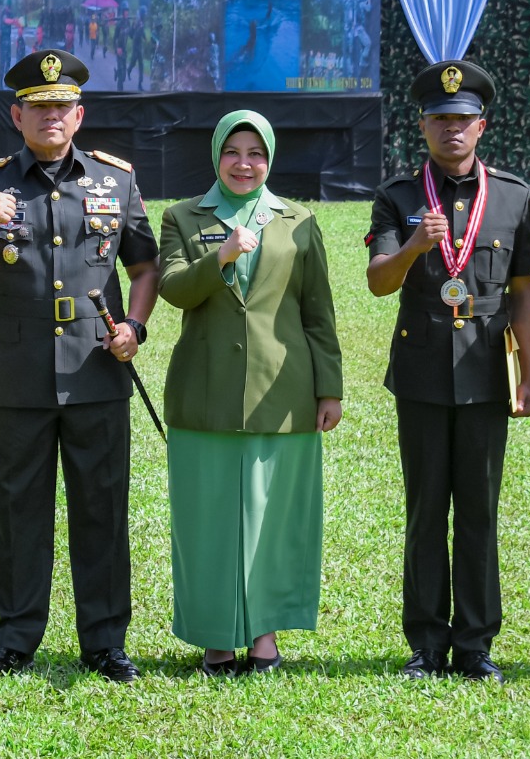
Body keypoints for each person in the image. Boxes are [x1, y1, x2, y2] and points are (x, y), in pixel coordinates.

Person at [0, 48, 160, 683]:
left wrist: (134, 327)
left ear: (78, 115)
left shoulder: (115, 180)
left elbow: (145, 265)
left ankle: (105, 641)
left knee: (101, 509)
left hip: (95, 368)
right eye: (39, 107)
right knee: (18, 508)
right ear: (17, 114)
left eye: (62, 107)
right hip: (15, 373)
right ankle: (15, 639)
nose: (51, 116)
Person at [364, 61, 530, 683]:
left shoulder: (515, 196)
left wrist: (528, 370)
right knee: (425, 508)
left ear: (481, 126)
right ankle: (425, 644)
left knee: (479, 510)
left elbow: (522, 291)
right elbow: (378, 283)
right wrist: (413, 246)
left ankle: (474, 643)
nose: (452, 130)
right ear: (424, 126)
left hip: (489, 370)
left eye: (462, 120)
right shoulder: (399, 196)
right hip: (420, 373)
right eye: (440, 119)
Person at [157, 110, 343, 675]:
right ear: (216, 155)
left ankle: (264, 637)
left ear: (271, 157)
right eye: (233, 152)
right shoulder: (183, 217)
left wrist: (329, 388)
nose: (245, 163)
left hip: (282, 395)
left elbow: (318, 313)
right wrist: (221, 257)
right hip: (203, 396)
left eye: (256, 152)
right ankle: (216, 640)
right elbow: (172, 289)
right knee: (207, 522)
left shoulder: (298, 220)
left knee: (274, 521)